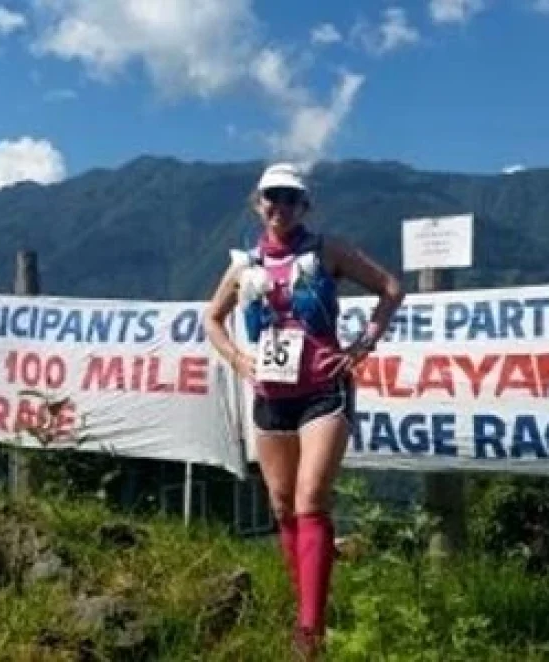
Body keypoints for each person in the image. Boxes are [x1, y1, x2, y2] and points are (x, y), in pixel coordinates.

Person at [203, 162, 404, 657]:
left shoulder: (327, 251)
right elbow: (212, 318)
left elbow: (390, 289)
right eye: (272, 196)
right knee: (281, 505)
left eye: (291, 198)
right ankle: (307, 606)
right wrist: (239, 361)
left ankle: (309, 634)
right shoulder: (244, 265)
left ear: (304, 206)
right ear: (257, 202)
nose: (280, 206)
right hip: (271, 396)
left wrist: (361, 345)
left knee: (311, 497)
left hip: (323, 391)